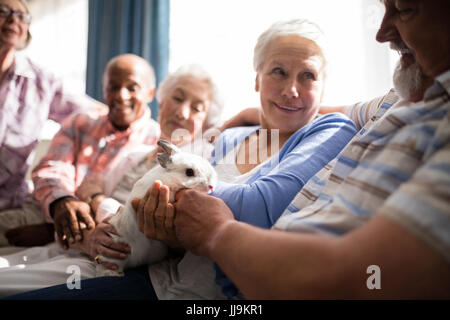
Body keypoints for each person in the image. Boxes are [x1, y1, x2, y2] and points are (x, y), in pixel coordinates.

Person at [3, 19, 358, 300]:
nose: (291, 89)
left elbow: (253, 210)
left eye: (308, 75)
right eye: (278, 72)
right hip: (154, 276)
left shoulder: (327, 130)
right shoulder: (230, 138)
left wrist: (107, 201)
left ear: (324, 86)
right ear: (257, 78)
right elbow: (177, 231)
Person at [168, 0, 450, 299]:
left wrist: (216, 232)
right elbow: (312, 108)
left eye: (405, 9)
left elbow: (363, 278)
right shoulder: (395, 99)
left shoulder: (336, 130)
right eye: (277, 72)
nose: (380, 34)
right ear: (257, 78)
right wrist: (250, 116)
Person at [0, 63, 222, 297]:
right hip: (81, 243)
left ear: (207, 121)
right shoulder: (134, 154)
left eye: (197, 108)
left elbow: (114, 208)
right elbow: (84, 193)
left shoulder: (200, 167)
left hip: (112, 258)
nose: (182, 112)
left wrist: (95, 198)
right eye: (177, 99)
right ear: (161, 101)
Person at [0, 53, 160, 248]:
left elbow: (130, 212)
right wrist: (62, 200)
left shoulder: (156, 143)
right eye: (113, 87)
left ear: (150, 93)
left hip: (94, 229)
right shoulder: (80, 122)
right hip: (45, 209)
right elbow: (52, 167)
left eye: (132, 87)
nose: (121, 95)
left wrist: (54, 233)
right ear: (104, 90)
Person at [0, 0, 105, 212]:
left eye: (22, 16)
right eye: (3, 11)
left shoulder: (41, 82)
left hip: (9, 206)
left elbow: (93, 114)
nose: (13, 19)